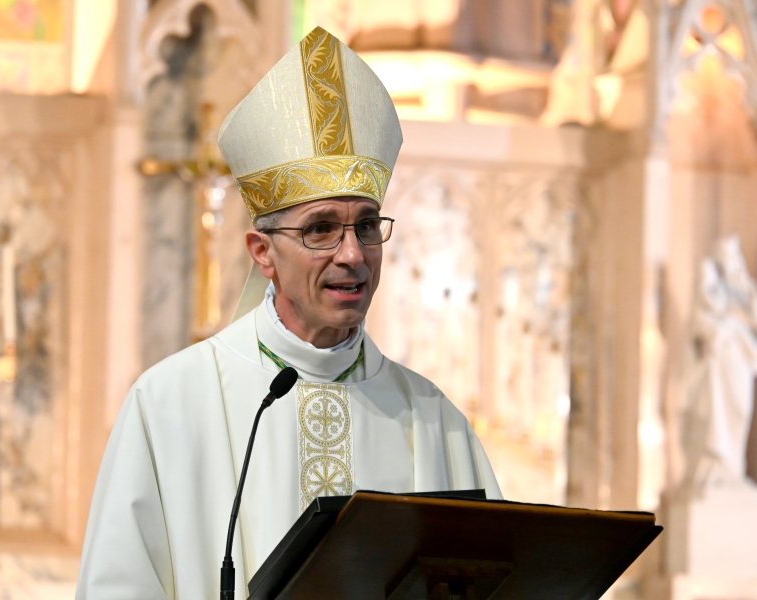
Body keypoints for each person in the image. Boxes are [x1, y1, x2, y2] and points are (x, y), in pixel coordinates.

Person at [76, 27, 501, 600]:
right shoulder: (170, 404)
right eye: (322, 228)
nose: (351, 254)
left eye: (367, 226)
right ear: (263, 253)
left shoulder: (434, 422)